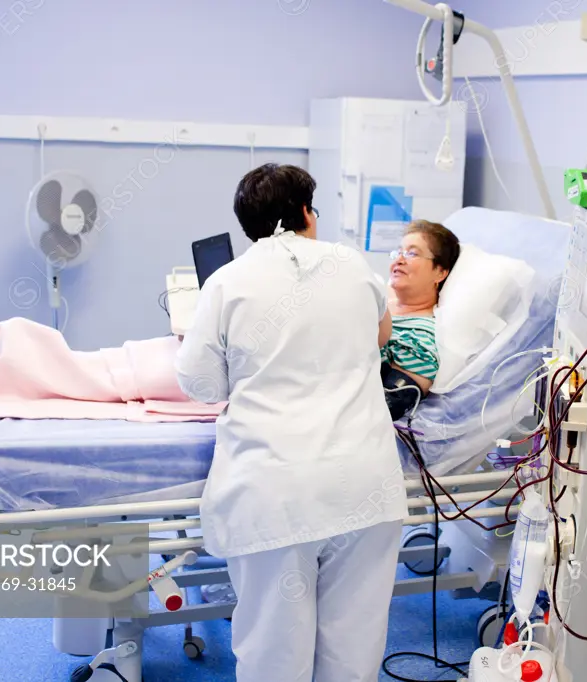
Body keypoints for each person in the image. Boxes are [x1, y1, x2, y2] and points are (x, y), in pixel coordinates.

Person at [175, 163, 407, 682]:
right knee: (354, 644)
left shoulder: (227, 282)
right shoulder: (351, 264)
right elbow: (380, 336)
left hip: (276, 494)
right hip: (365, 487)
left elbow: (200, 384)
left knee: (274, 651)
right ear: (306, 212)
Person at [380, 219, 460, 420]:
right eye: (398, 252)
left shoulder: (421, 337)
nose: (399, 260)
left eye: (412, 253)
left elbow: (389, 404)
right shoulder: (378, 297)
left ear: (440, 272)